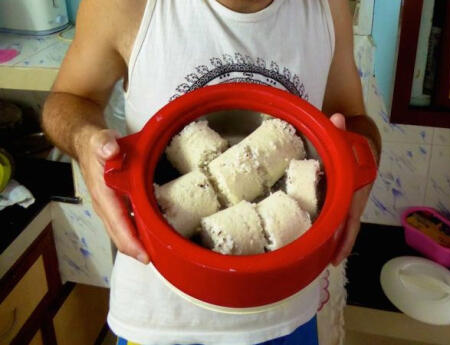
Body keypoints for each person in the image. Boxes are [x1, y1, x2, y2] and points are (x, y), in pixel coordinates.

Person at [42, 0, 381, 344]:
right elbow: (69, 98)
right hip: (163, 318)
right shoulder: (125, 5)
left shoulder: (327, 7)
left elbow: (353, 119)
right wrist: (86, 144)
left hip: (286, 310)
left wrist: (364, 158)